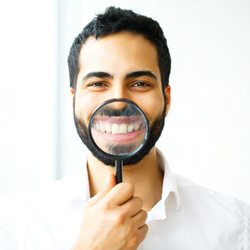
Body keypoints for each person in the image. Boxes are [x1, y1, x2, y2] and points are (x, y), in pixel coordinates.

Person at [0, 6, 249, 250]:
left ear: (167, 99)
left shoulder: (236, 226)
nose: (119, 102)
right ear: (73, 98)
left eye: (140, 83)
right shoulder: (14, 225)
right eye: (98, 83)